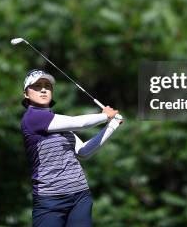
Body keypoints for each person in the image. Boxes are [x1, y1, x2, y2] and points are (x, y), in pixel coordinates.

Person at [20, 68, 123, 227]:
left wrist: (112, 125)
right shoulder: (32, 118)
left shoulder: (57, 121)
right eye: (37, 86)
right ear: (26, 94)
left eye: (47, 86)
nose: (43, 90)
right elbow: (79, 123)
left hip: (80, 196)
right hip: (50, 200)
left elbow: (83, 152)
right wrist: (105, 116)